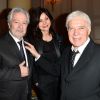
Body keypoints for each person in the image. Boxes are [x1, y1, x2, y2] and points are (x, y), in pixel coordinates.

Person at [25, 10, 100, 100]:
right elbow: (54, 68)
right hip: (46, 86)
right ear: (67, 30)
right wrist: (36, 81)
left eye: (81, 28)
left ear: (89, 29)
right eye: (71, 28)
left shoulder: (59, 39)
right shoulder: (67, 51)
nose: (76, 33)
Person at [25, 7, 65, 100]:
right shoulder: (31, 40)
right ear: (36, 23)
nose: (44, 23)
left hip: (60, 84)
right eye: (40, 20)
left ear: (50, 19)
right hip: (44, 87)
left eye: (46, 19)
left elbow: (60, 66)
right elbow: (30, 65)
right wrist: (36, 82)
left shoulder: (59, 39)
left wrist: (37, 56)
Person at [0, 7, 35, 100]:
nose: (21, 26)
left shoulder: (29, 44)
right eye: (16, 22)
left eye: (24, 23)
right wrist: (17, 72)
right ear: (9, 24)